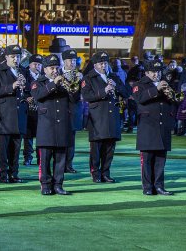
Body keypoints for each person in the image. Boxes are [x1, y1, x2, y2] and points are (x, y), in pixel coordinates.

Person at [31, 54, 79, 195]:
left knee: (60, 158)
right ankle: (45, 185)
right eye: (51, 68)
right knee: (45, 159)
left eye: (56, 67)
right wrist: (54, 84)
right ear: (45, 69)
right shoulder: (38, 82)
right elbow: (38, 95)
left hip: (62, 124)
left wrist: (72, 88)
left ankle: (58, 184)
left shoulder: (64, 81)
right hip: (46, 126)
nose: (55, 70)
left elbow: (73, 100)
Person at [81, 52, 129, 183]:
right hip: (97, 117)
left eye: (105, 63)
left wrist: (116, 86)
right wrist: (104, 91)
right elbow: (86, 96)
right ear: (95, 64)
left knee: (110, 146)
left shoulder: (113, 76)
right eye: (101, 63)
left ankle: (106, 172)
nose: (104, 66)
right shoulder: (88, 78)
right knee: (96, 147)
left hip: (112, 115)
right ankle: (95, 173)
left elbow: (126, 92)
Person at [132, 60, 177, 195]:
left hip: (163, 125)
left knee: (160, 159)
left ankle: (159, 186)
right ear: (147, 73)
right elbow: (139, 98)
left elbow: (170, 105)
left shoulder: (165, 84)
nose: (156, 74)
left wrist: (171, 97)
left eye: (158, 71)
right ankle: (147, 187)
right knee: (147, 160)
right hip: (148, 126)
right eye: (153, 72)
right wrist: (156, 89)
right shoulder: (139, 85)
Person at [0, 45, 27, 183]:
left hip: (19, 115)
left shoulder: (23, 70)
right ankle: (3, 174)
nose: (16, 59)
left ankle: (14, 173)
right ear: (6, 57)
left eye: (17, 57)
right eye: (13, 57)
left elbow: (29, 89)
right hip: (4, 116)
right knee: (3, 150)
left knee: (16, 148)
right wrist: (11, 87)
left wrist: (25, 88)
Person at [61, 49, 83, 173]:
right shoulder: (58, 73)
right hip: (61, 110)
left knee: (71, 140)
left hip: (74, 110)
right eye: (70, 60)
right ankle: (60, 164)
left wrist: (81, 81)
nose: (73, 63)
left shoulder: (79, 75)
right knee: (60, 139)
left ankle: (68, 164)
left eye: (74, 60)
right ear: (64, 61)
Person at [22, 54, 43, 166]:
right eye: (35, 64)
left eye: (39, 64)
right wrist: (26, 98)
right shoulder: (23, 75)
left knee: (41, 135)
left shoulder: (43, 76)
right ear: (29, 65)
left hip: (41, 109)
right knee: (28, 135)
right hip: (28, 109)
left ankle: (40, 158)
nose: (37, 66)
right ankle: (28, 157)